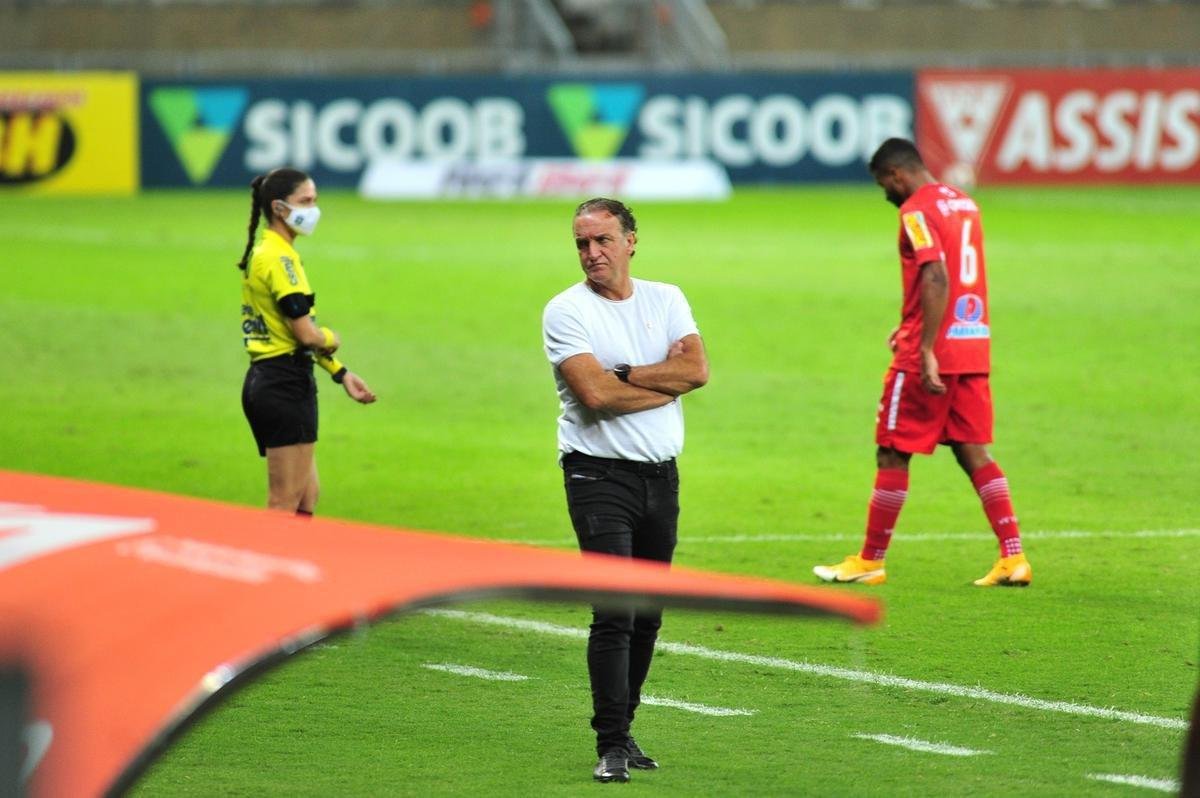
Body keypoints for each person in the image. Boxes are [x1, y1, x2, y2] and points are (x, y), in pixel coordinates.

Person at [542, 197, 709, 783]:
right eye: (582, 243)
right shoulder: (565, 312)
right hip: (597, 476)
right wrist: (658, 384)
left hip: (660, 478)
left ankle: (627, 728)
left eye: (603, 240)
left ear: (631, 240)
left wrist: (625, 374)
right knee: (615, 611)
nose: (592, 253)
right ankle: (610, 743)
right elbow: (594, 396)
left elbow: (697, 371)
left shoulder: (667, 298)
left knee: (648, 616)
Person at [814, 138, 1031, 587]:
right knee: (972, 450)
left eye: (883, 185)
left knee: (892, 448)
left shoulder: (915, 210)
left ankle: (871, 560)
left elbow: (935, 273)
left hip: (929, 353)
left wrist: (926, 345)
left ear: (896, 175)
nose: (885, 195)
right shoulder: (964, 203)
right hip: (973, 343)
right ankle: (1013, 557)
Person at [237, 167, 376, 515]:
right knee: (284, 503)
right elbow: (306, 334)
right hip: (285, 385)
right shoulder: (280, 259)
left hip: (268, 380)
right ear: (279, 208)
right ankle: (270, 568)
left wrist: (340, 373)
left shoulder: (267, 251)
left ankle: (291, 563)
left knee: (306, 496)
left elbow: (291, 332)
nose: (314, 209)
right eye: (306, 201)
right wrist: (331, 338)